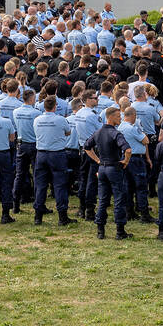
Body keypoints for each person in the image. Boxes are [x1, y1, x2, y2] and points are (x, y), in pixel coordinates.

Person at [84, 105, 133, 240]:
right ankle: (120, 231)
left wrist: (98, 160)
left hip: (102, 169)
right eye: (118, 116)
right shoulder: (115, 133)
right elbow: (128, 150)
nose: (120, 118)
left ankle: (100, 230)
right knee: (119, 199)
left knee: (103, 200)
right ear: (110, 117)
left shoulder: (98, 132)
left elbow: (86, 147)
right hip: (114, 168)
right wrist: (126, 161)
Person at [33, 95, 74, 226]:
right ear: (55, 106)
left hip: (41, 154)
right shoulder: (60, 119)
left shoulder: (37, 120)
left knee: (40, 185)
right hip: (57, 154)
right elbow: (68, 132)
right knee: (60, 185)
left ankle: (38, 216)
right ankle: (62, 216)